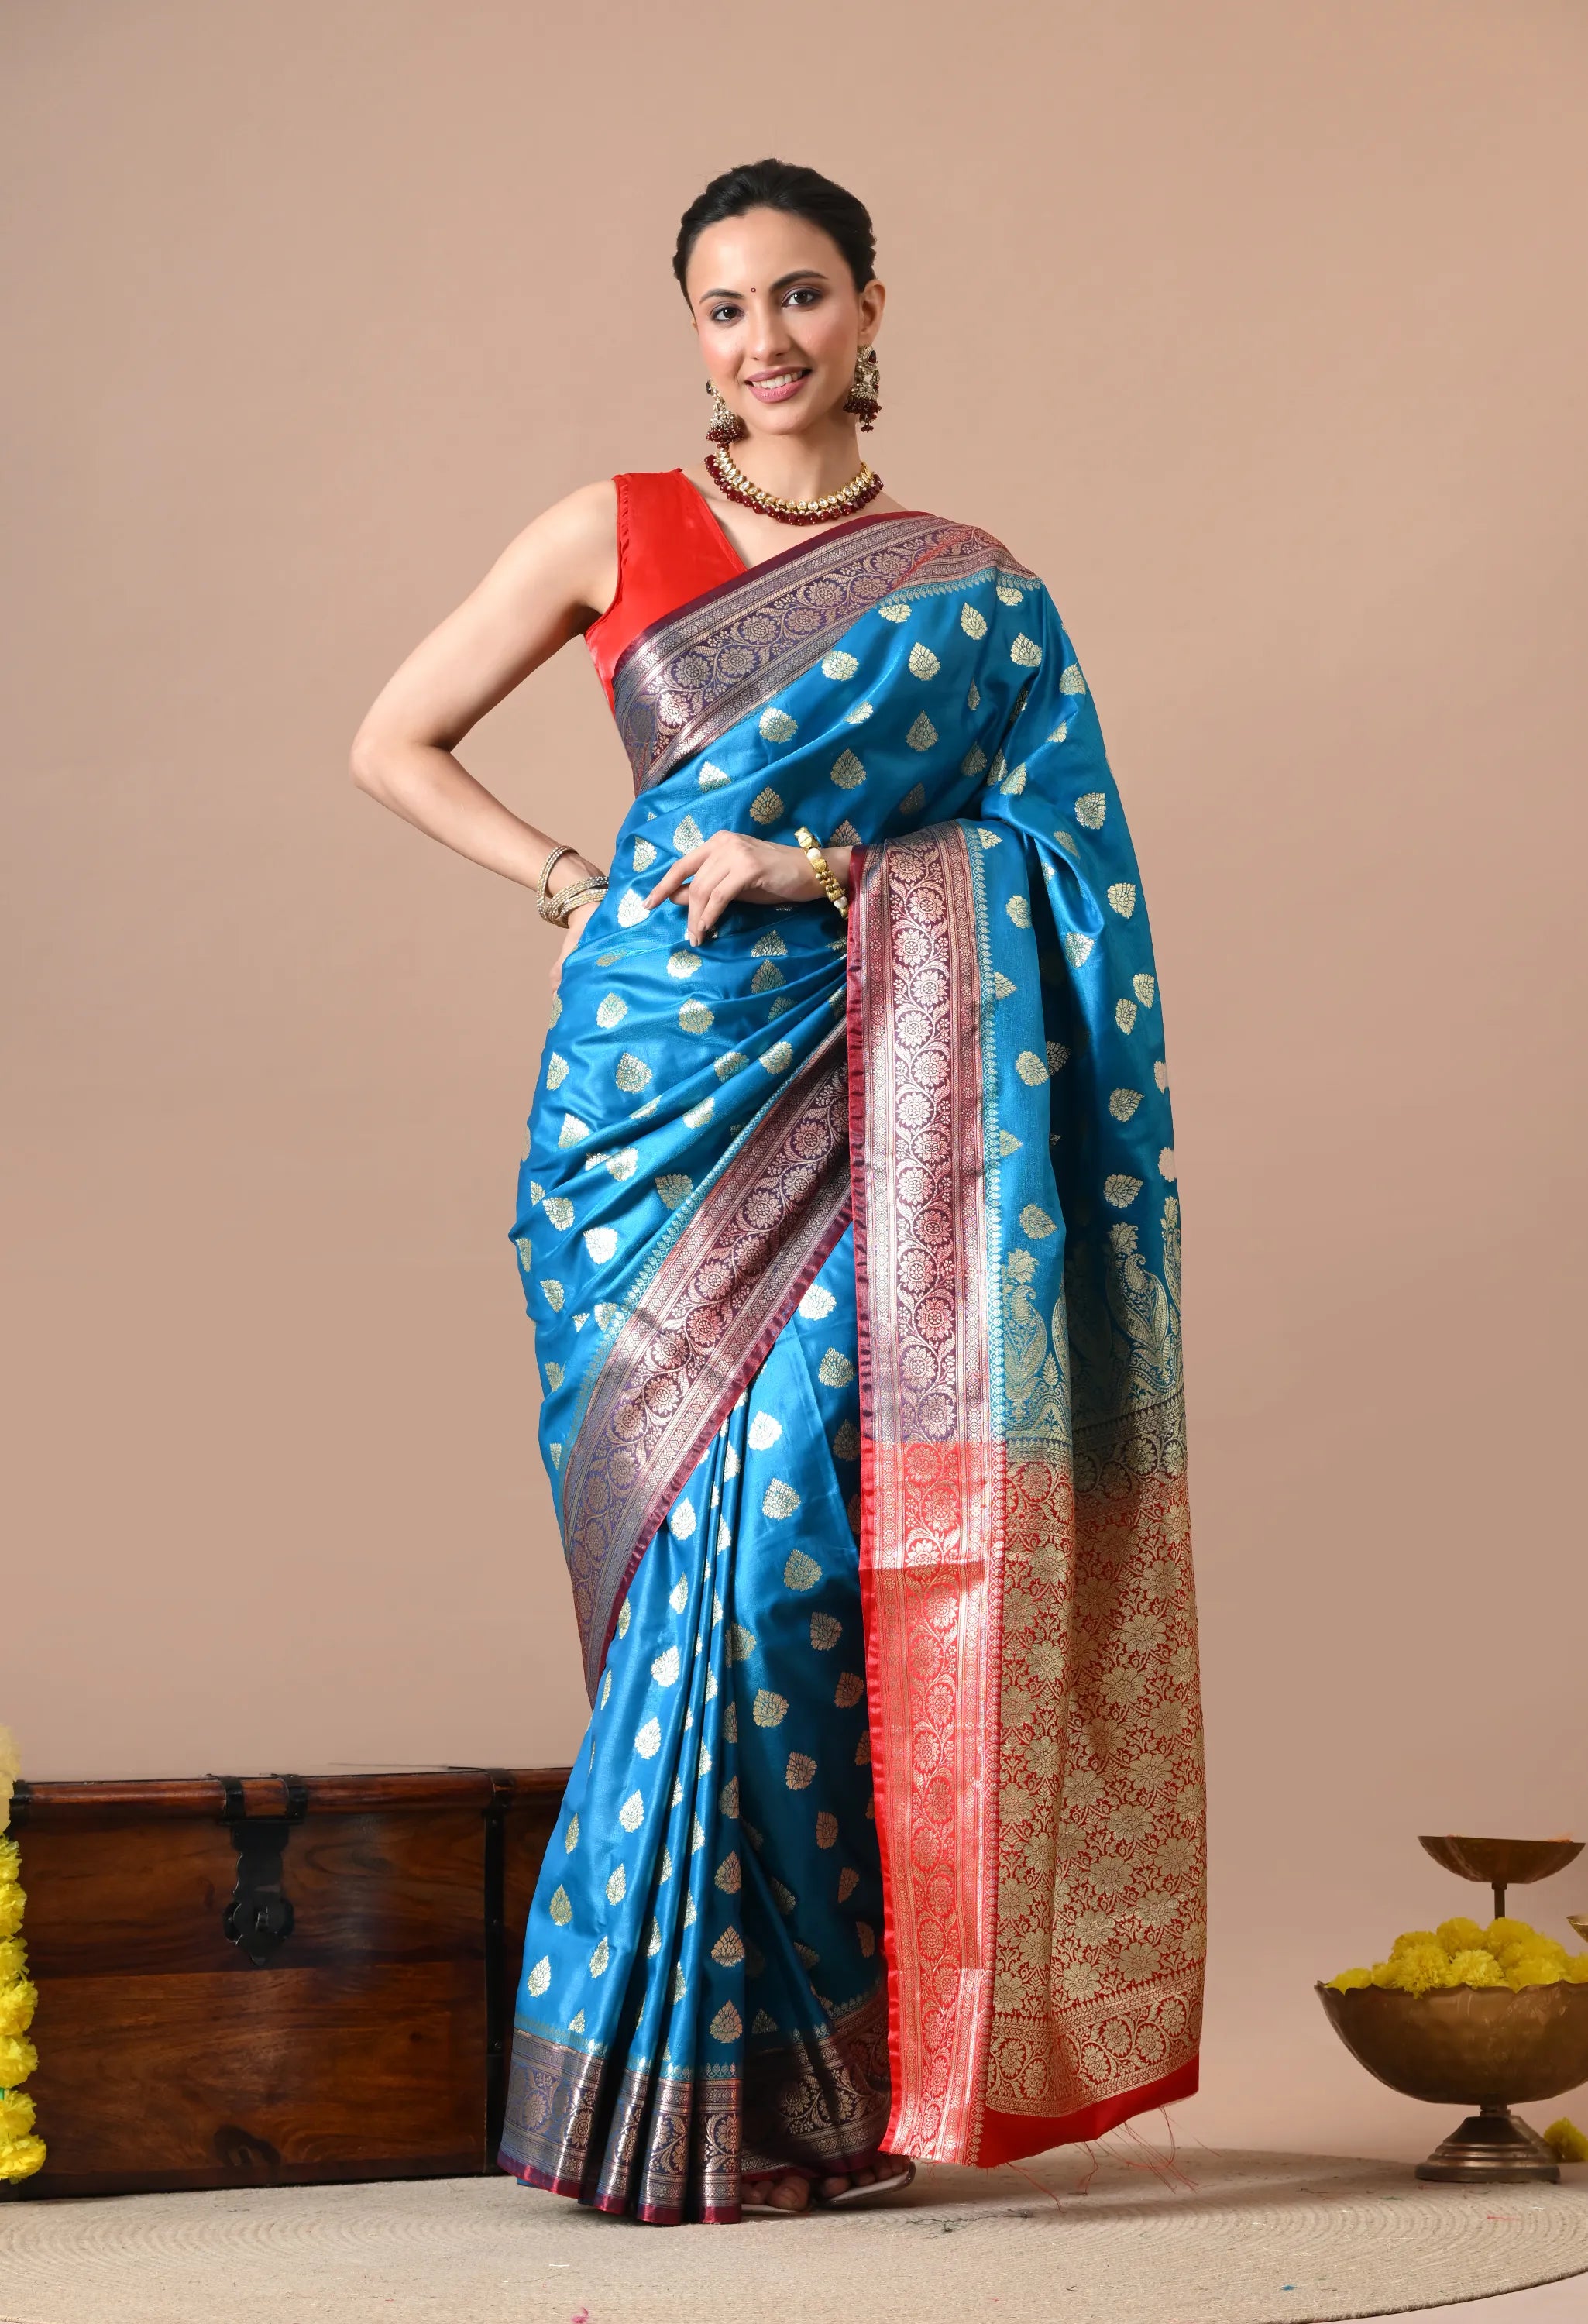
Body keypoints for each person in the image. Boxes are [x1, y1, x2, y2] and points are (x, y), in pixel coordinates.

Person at [351, 158, 1205, 2226]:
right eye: (725, 310)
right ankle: (664, 2100)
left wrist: (829, 874)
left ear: (870, 308)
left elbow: (1060, 877)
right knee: (680, 1574)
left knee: (797, 1564)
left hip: (878, 1094)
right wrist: (576, 883)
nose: (763, 342)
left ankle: (799, 2098)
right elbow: (393, 739)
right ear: (694, 335)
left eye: (799, 298)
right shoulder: (606, 526)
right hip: (644, 1103)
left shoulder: (972, 588)